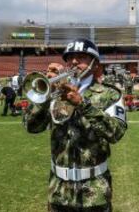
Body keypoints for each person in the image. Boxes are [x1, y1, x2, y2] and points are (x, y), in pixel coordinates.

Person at [23, 38, 127, 212]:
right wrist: (45, 96)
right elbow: (31, 126)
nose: (74, 61)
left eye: (81, 57)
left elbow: (115, 133)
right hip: (58, 192)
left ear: (95, 64)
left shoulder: (110, 94)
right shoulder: (55, 93)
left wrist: (82, 103)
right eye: (70, 57)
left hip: (95, 193)